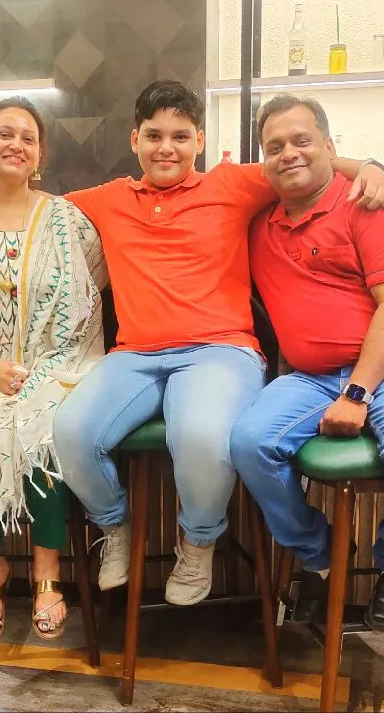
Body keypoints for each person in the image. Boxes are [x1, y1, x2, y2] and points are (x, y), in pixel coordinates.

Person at [53, 80, 384, 607]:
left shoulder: (232, 185)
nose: (167, 148)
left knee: (206, 437)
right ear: (133, 138)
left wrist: (370, 165)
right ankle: (113, 527)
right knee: (69, 431)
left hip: (219, 351)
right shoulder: (107, 199)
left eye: (181, 136)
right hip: (135, 355)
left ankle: (199, 541)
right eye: (154, 135)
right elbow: (35, 211)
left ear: (200, 140)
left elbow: (299, 162)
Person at [230, 93, 384, 629]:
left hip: (377, 372)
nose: (289, 154)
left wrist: (359, 393)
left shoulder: (363, 202)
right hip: (309, 380)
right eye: (275, 147)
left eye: (303, 141)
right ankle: (322, 558)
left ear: (329, 146)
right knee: (249, 443)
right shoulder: (256, 225)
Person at [0, 97, 105, 647]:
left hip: (53, 369)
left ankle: (46, 570)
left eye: (28, 137)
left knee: (48, 428)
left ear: (40, 154)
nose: (16, 145)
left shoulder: (65, 219)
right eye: (4, 134)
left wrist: (42, 369)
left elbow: (91, 288)